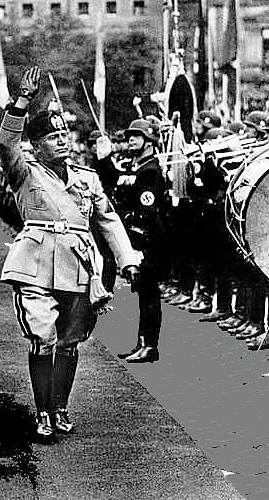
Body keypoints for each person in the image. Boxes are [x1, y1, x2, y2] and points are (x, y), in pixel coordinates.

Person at [0, 66, 141, 443]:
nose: (61, 141)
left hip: (80, 267)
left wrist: (127, 261)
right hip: (36, 264)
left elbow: (109, 221)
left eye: (64, 135)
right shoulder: (23, 172)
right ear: (36, 144)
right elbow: (5, 144)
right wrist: (22, 101)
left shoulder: (87, 178)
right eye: (52, 136)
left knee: (70, 340)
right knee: (42, 336)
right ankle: (42, 411)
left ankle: (59, 407)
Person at [98, 118, 168, 363]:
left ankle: (150, 346)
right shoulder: (137, 166)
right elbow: (114, 182)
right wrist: (104, 160)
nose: (131, 140)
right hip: (137, 238)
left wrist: (136, 244)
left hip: (147, 240)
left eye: (137, 136)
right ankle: (142, 343)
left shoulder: (150, 170)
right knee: (143, 293)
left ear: (149, 140)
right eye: (129, 136)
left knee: (149, 293)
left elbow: (145, 209)